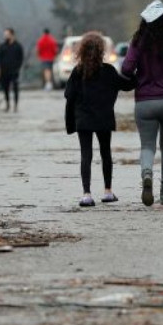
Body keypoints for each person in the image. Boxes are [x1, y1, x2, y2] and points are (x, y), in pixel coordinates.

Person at [121, 0, 163, 206]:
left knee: (148, 146)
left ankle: (147, 174)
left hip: (145, 102)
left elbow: (126, 69)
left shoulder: (138, 44)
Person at [64, 32, 135, 207]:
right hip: (104, 117)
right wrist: (137, 70)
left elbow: (68, 94)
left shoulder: (77, 71)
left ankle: (86, 194)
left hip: (83, 118)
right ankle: (108, 192)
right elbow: (127, 85)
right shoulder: (109, 71)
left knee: (86, 155)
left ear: (81, 50)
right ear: (101, 50)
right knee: (106, 153)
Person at [0, 28, 26, 112]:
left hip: (14, 70)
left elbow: (21, 58)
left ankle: (16, 105)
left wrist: (18, 67)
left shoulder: (18, 46)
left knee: (15, 88)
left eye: (7, 34)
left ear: (12, 34)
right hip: (4, 71)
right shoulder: (2, 46)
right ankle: (7, 104)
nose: (5, 36)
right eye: (5, 34)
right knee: (5, 88)